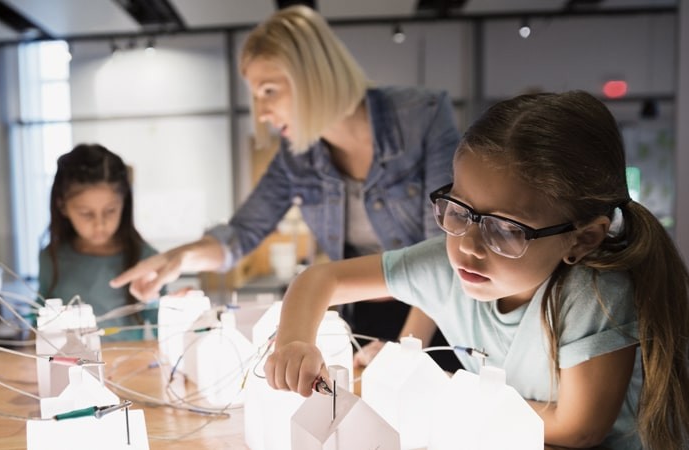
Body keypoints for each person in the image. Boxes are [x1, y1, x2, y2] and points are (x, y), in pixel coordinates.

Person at [263, 91, 689, 450]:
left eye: (506, 229)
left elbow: (578, 429)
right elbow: (321, 279)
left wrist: (438, 387)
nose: (468, 247)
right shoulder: (446, 258)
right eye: (459, 209)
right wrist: (295, 341)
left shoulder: (593, 293)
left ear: (582, 239)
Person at [109, 5, 462, 369]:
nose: (261, 111)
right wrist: (180, 256)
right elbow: (241, 234)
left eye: (269, 90)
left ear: (314, 78)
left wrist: (408, 348)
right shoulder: (298, 157)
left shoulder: (422, 117)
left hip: (434, 314)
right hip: (365, 313)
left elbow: (443, 251)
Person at [39, 144, 159, 341]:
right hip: (67, 367)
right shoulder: (51, 257)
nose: (100, 224)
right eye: (86, 213)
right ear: (62, 206)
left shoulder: (145, 259)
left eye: (110, 210)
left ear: (124, 203)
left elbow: (162, 328)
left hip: (126, 367)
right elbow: (37, 317)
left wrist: (170, 305)